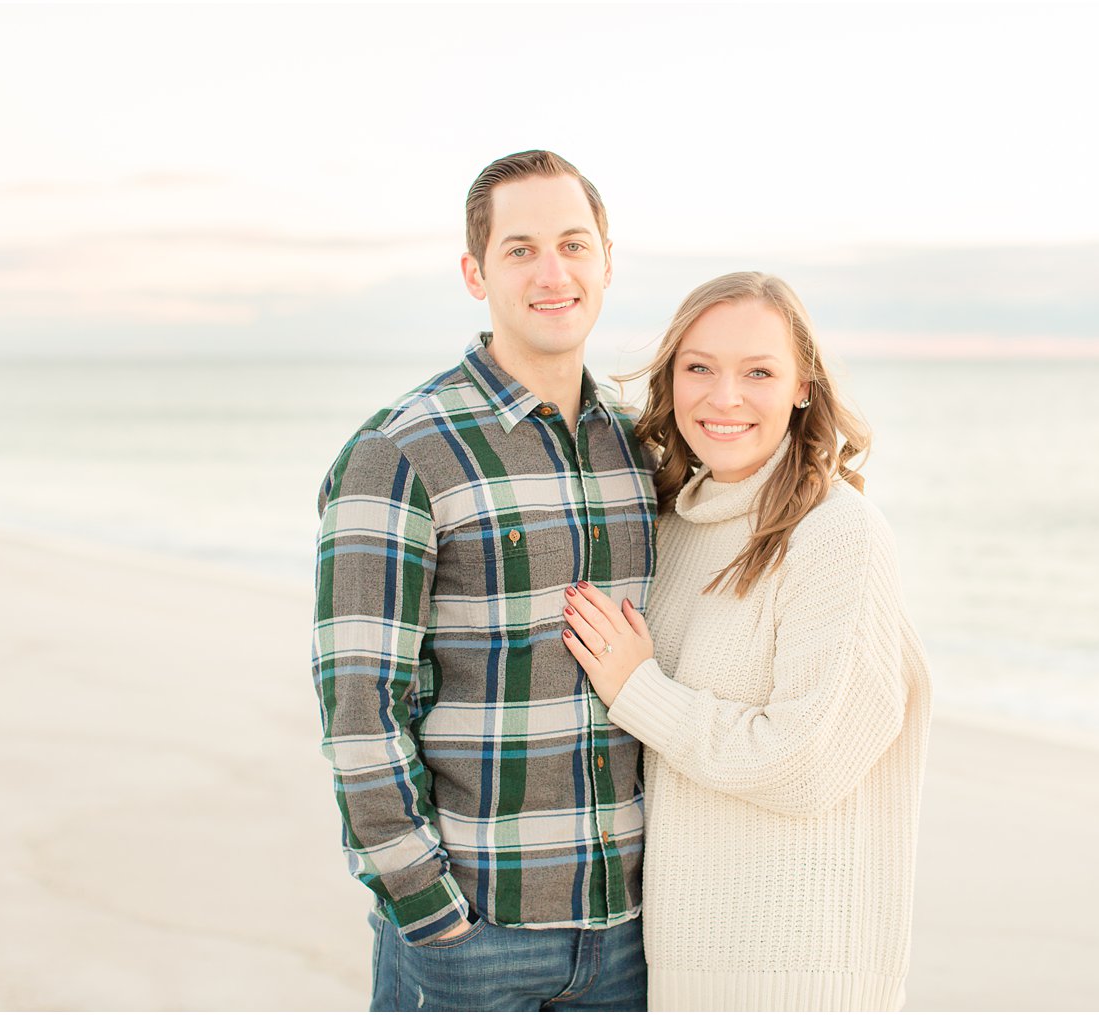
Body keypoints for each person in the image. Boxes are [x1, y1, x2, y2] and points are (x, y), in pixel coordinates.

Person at [311, 150, 655, 1012]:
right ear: (476, 271)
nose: (553, 271)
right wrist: (427, 908)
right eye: (521, 248)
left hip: (631, 932)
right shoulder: (400, 452)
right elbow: (358, 705)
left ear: (607, 261)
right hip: (474, 936)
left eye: (575, 244)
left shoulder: (640, 446)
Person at [561, 271, 932, 1012]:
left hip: (797, 975)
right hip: (682, 963)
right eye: (699, 367)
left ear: (802, 387)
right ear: (671, 379)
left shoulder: (836, 533)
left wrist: (640, 692)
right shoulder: (673, 522)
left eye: (758, 371)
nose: (723, 397)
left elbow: (807, 763)